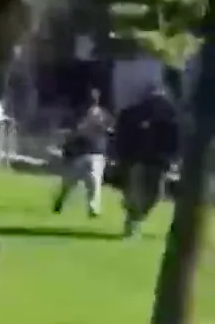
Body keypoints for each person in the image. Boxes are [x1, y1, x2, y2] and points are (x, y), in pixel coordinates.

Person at [112, 85, 180, 238]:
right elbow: (122, 135)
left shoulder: (171, 118)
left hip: (159, 161)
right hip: (137, 158)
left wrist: (172, 158)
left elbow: (175, 140)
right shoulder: (133, 114)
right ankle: (132, 221)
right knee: (137, 190)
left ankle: (134, 215)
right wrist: (122, 156)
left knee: (156, 195)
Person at [53, 89, 112, 216]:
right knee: (69, 182)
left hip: (96, 152)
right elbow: (72, 132)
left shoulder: (103, 115)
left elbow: (109, 130)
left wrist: (101, 128)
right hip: (80, 152)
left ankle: (93, 207)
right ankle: (61, 200)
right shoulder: (78, 114)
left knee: (94, 180)